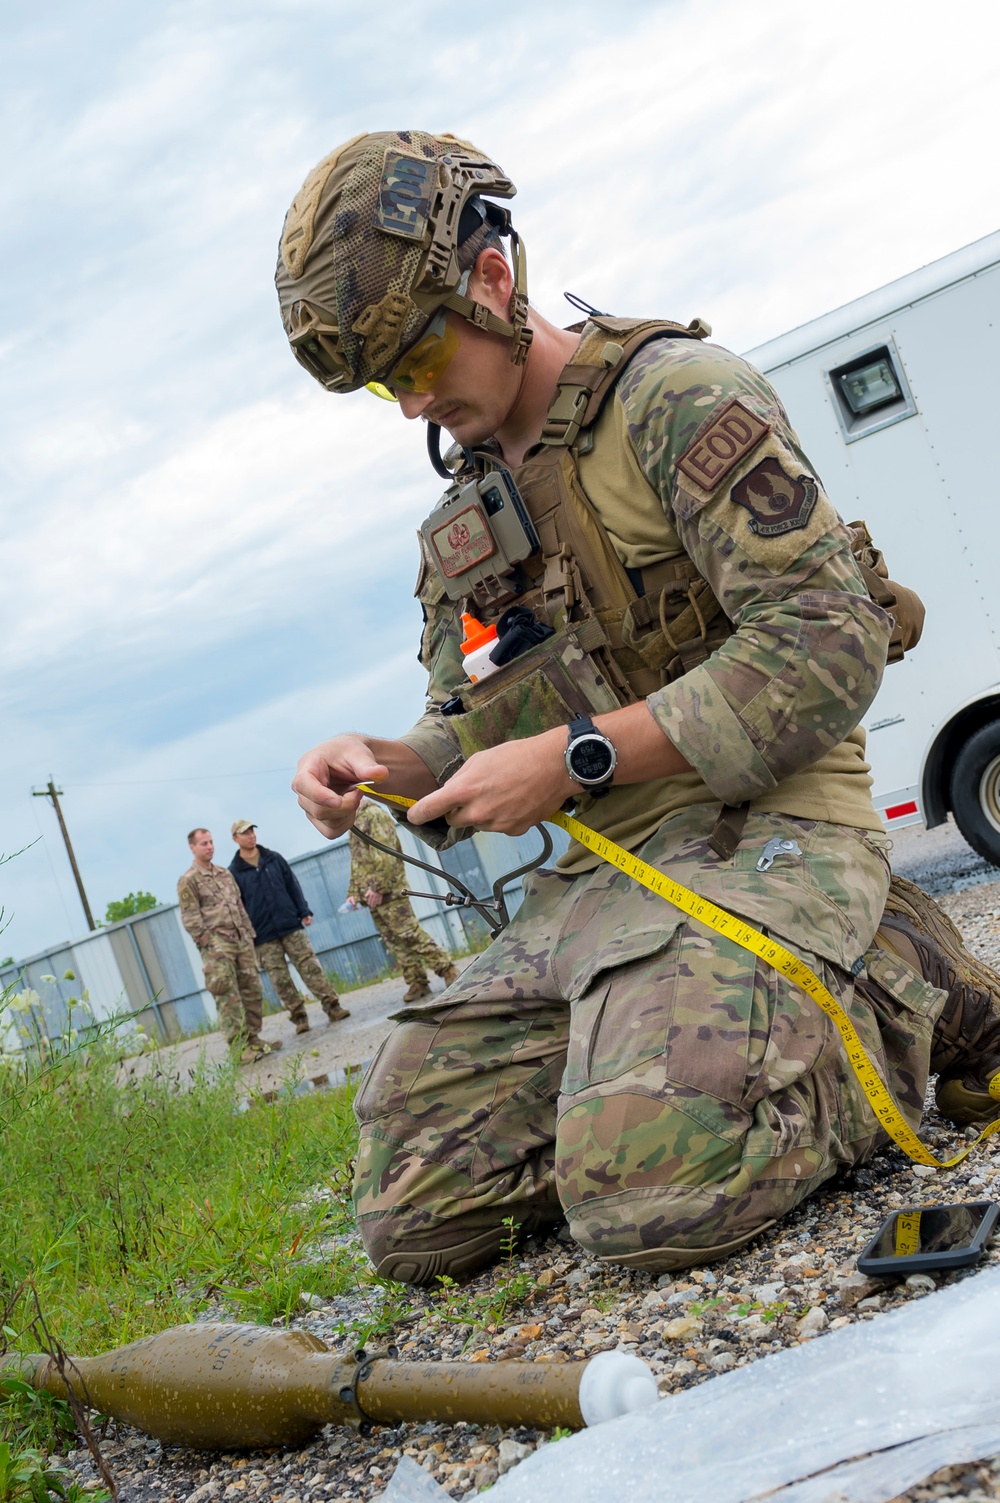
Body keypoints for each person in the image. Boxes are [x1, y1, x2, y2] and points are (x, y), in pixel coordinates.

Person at [274, 130, 1000, 1286]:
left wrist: (579, 760)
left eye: (414, 356)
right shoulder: (468, 513)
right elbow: (470, 714)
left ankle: (902, 983)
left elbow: (824, 643)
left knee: (648, 1200)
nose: (408, 398)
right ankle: (667, 1050)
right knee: (413, 1218)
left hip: (768, 833)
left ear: (491, 280)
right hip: (599, 892)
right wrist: (390, 761)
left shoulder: (673, 400)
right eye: (379, 381)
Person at [229, 819, 350, 1032]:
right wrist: (247, 934)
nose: (251, 835)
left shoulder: (273, 859)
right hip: (262, 934)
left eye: (252, 831)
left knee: (310, 967)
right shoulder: (234, 872)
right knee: (280, 980)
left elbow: (292, 885)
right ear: (235, 839)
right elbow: (237, 906)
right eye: (245, 833)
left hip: (290, 925)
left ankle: (333, 1006)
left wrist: (303, 910)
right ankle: (299, 1018)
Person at [177, 828, 283, 1063]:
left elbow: (238, 905)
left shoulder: (224, 873)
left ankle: (253, 1039)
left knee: (252, 991)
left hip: (240, 941)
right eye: (204, 843)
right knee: (228, 996)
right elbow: (191, 918)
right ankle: (238, 1048)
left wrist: (248, 936)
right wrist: (209, 944)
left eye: (211, 842)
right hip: (218, 947)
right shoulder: (188, 881)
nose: (210, 846)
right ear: (192, 848)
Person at [344, 799, 459, 1003]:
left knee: (409, 934)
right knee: (395, 942)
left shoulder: (373, 815)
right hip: (371, 896)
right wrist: (353, 892)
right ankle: (417, 981)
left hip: (388, 892)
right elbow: (357, 862)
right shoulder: (354, 822)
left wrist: (378, 887)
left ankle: (448, 970)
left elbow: (385, 854)